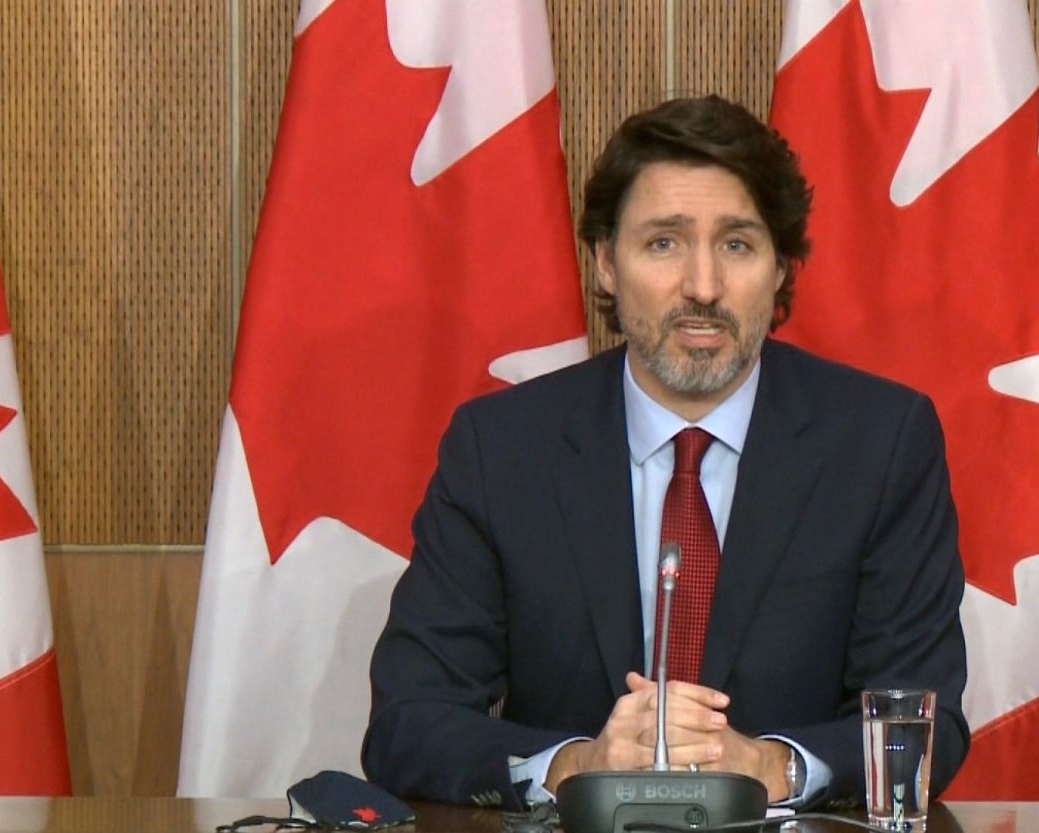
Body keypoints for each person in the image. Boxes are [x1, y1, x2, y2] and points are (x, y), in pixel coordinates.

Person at [362, 95, 969, 811]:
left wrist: (773, 764)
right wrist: (574, 763)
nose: (703, 287)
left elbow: (924, 721)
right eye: (664, 243)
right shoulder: (502, 450)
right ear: (606, 265)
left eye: (737, 244)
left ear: (780, 267)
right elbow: (407, 722)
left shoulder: (881, 442)